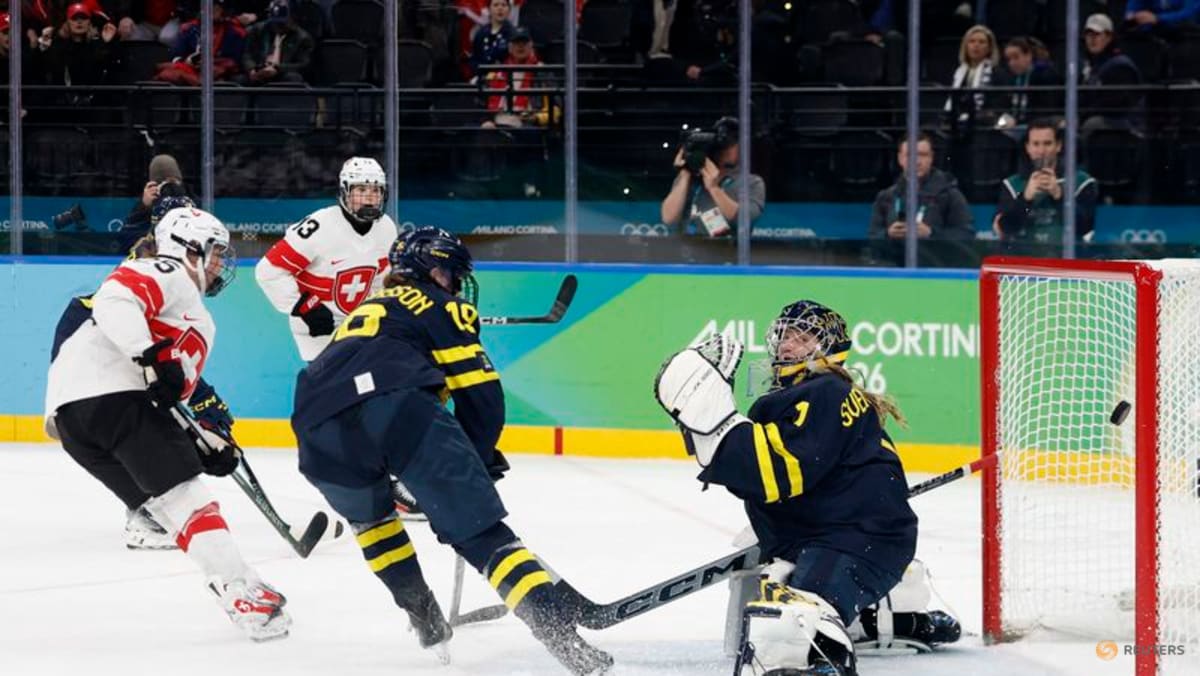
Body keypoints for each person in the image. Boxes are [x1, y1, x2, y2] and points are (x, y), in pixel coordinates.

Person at [290, 227, 613, 674]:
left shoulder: (369, 308)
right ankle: (560, 635)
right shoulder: (445, 307)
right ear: (433, 270)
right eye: (452, 274)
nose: (458, 285)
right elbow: (482, 397)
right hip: (394, 404)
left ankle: (424, 617)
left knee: (373, 523)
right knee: (480, 534)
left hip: (313, 422)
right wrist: (476, 456)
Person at [653, 301, 957, 673]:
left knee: (798, 616)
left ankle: (828, 656)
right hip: (844, 532)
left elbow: (776, 473)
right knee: (791, 590)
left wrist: (718, 430)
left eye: (802, 336)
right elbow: (776, 476)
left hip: (856, 537)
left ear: (828, 348)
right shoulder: (812, 395)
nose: (787, 343)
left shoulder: (825, 391)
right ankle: (881, 619)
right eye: (784, 333)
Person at [43, 207, 291, 641]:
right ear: (189, 248)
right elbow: (116, 298)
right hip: (111, 397)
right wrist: (149, 352)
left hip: (77, 422)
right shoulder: (167, 271)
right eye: (214, 253)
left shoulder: (192, 312)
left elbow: (167, 395)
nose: (219, 264)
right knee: (188, 498)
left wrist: (206, 442)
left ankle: (234, 585)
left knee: (169, 506)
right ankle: (240, 590)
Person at [52, 197, 234, 551]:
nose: (217, 263)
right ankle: (143, 512)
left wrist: (202, 426)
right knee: (128, 425)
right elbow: (134, 332)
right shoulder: (152, 269)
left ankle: (153, 509)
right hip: (99, 359)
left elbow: (166, 364)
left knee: (155, 431)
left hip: (116, 370)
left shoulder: (173, 280)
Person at [255, 157, 397, 363]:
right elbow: (268, 271)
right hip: (319, 325)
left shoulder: (386, 228)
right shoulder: (318, 227)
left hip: (360, 323)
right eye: (361, 190)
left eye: (375, 191)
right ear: (345, 192)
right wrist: (306, 307)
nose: (369, 198)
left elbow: (380, 279)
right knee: (332, 387)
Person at [996, 119, 1099, 244]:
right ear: (1028, 147)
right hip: (1024, 257)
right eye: (1036, 144)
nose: (1041, 151)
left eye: (1047, 143)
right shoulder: (1012, 184)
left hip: (1066, 258)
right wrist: (1026, 199)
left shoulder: (1082, 182)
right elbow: (1006, 229)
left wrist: (1059, 196)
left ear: (1058, 146)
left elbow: (1084, 228)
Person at [660, 116, 766, 237]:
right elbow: (668, 218)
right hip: (686, 252)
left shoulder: (751, 182)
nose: (727, 149)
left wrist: (714, 188)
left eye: (733, 143)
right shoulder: (690, 179)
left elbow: (744, 219)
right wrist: (686, 171)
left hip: (726, 253)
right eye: (725, 143)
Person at [868, 132, 974, 248]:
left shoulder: (951, 195)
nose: (917, 161)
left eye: (923, 155)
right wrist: (887, 234)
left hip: (937, 263)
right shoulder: (886, 197)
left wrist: (931, 234)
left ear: (931, 158)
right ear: (900, 158)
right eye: (910, 155)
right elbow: (872, 237)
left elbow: (966, 235)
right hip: (894, 263)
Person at [1081, 13, 1144, 134]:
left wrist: (1081, 116)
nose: (1092, 39)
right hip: (1094, 116)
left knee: (1092, 124)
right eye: (1088, 34)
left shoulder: (1120, 65)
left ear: (1109, 37)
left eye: (1097, 34)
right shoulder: (1090, 66)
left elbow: (1114, 105)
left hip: (1123, 123)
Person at [118, 154, 192, 252]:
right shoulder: (147, 206)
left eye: (173, 181)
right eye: (162, 182)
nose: (169, 187)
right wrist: (143, 207)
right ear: (154, 185)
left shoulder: (192, 202)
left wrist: (187, 206)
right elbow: (125, 244)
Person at [240, 0, 314, 85]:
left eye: (281, 23)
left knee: (293, 78)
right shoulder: (258, 30)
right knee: (240, 79)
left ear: (292, 19)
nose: (277, 26)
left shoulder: (303, 38)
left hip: (283, 73)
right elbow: (247, 54)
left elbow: (303, 65)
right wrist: (252, 69)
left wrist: (277, 69)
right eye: (274, 22)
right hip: (259, 71)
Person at [996, 36, 1062, 129]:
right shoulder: (1009, 78)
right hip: (1014, 124)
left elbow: (1045, 110)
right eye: (1009, 59)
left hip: (1038, 125)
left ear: (1028, 55)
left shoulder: (1045, 75)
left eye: (1016, 57)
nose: (1012, 63)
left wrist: (1017, 122)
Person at [943, 24, 1000, 129]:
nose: (976, 45)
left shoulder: (996, 73)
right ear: (966, 46)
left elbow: (996, 105)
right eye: (972, 41)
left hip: (982, 125)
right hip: (957, 123)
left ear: (989, 48)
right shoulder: (957, 72)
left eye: (981, 42)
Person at [468, 0, 513, 82]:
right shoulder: (481, 33)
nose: (500, 8)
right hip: (482, 79)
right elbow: (474, 58)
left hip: (505, 80)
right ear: (489, 9)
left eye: (503, 5)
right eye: (496, 5)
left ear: (509, 9)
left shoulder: (513, 34)